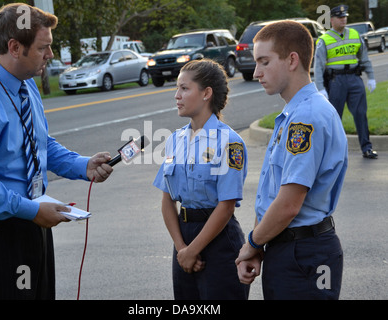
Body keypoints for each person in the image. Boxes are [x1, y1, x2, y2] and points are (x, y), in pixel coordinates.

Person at [0, 3, 113, 299]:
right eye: (44, 48)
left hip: (33, 223)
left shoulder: (25, 81)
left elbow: (39, 143)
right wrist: (32, 211)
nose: (51, 55)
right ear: (15, 47)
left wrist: (83, 166)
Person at [236, 21, 348, 300]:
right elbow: (271, 195)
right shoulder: (293, 114)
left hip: (304, 253)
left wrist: (251, 242)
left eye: (264, 61)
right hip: (289, 248)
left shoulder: (305, 118)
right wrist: (261, 243)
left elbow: (289, 204)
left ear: (292, 60)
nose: (256, 72)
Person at [153, 59, 249, 300]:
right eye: (177, 88)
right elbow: (167, 201)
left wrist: (193, 250)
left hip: (219, 241)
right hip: (183, 238)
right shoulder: (175, 140)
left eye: (185, 88)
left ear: (206, 93)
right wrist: (182, 249)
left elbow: (226, 206)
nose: (177, 95)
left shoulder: (229, 142)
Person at [314, 4, 377, 159]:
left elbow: (364, 59)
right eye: (340, 17)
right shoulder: (324, 40)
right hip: (336, 81)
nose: (344, 19)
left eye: (345, 17)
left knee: (361, 114)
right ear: (332, 20)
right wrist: (320, 88)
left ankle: (366, 148)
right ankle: (332, 152)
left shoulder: (355, 35)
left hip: (355, 79)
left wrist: (371, 77)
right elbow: (318, 66)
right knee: (334, 117)